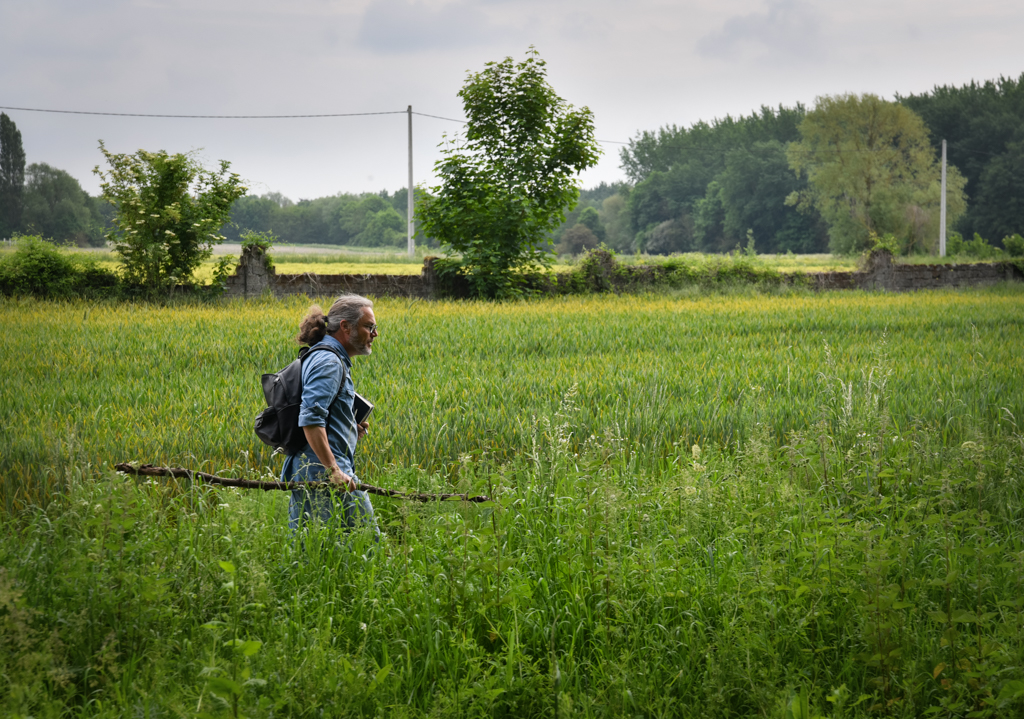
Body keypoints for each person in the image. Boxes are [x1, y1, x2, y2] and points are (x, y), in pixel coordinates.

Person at [282, 294, 380, 542]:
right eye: (369, 327)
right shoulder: (329, 361)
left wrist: (347, 427)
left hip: (320, 469)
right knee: (362, 542)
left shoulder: (328, 357)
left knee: (326, 548)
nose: (374, 334)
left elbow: (321, 415)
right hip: (321, 472)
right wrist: (333, 469)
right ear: (345, 326)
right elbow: (311, 419)